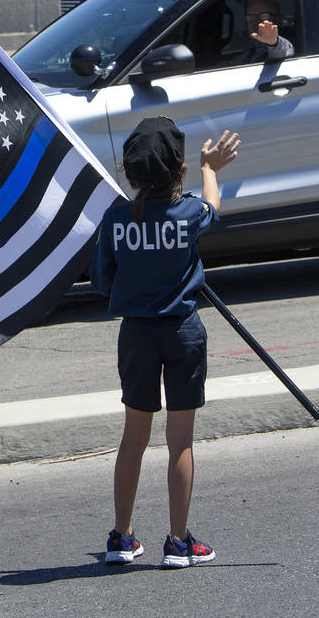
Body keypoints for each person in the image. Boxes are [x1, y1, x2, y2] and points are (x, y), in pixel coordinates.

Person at [92, 116, 240, 568]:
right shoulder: (189, 212)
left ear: (130, 172)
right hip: (183, 333)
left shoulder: (115, 218)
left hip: (136, 336)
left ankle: (122, 537)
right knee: (180, 440)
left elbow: (103, 281)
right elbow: (212, 206)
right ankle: (178, 542)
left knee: (133, 438)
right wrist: (209, 169)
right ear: (178, 170)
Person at [225, 0, 295, 66]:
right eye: (251, 17)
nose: (256, 22)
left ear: (278, 20)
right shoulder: (249, 51)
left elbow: (284, 50)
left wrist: (273, 42)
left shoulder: (282, 46)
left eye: (264, 16)